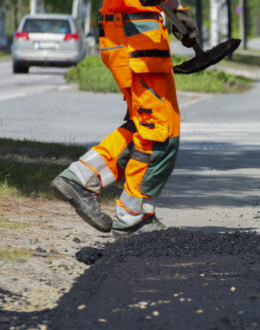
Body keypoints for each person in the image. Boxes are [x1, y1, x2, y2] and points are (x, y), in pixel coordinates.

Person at [50, 0, 197, 236]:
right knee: (160, 132)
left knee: (146, 126)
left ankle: (85, 177)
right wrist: (177, 9)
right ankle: (132, 214)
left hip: (128, 36)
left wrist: (176, 12)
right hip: (138, 38)